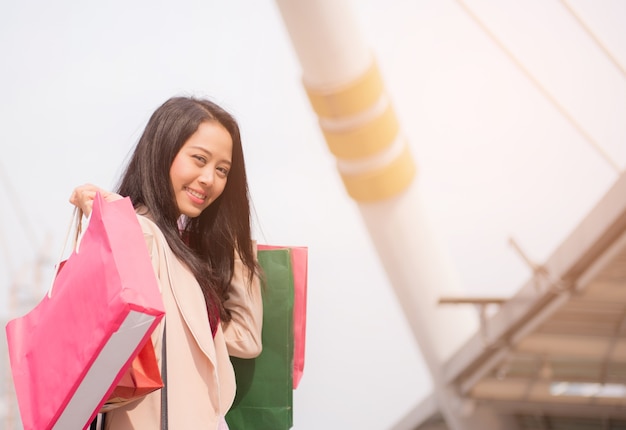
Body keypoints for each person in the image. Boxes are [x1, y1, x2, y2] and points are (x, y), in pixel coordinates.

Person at [70, 96, 263, 429]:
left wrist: (230, 236)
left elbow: (247, 338)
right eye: (199, 159)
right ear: (162, 153)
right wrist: (114, 217)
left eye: (222, 170)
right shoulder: (144, 236)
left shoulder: (183, 255)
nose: (209, 179)